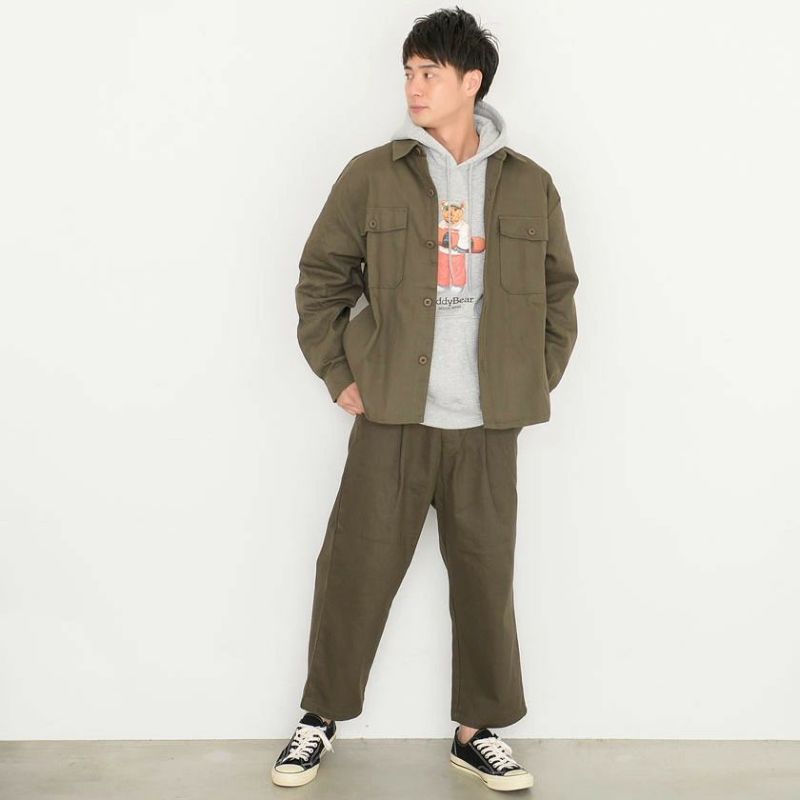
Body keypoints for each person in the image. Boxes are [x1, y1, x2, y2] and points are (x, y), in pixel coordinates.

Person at [272, 6, 579, 792]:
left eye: (429, 72)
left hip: (488, 423)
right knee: (355, 571)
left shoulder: (530, 185)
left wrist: (531, 376)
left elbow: (558, 294)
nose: (413, 85)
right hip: (393, 415)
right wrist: (338, 372)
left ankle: (477, 734)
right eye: (408, 71)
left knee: (486, 582)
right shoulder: (372, 175)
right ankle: (318, 719)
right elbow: (320, 280)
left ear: (471, 82)